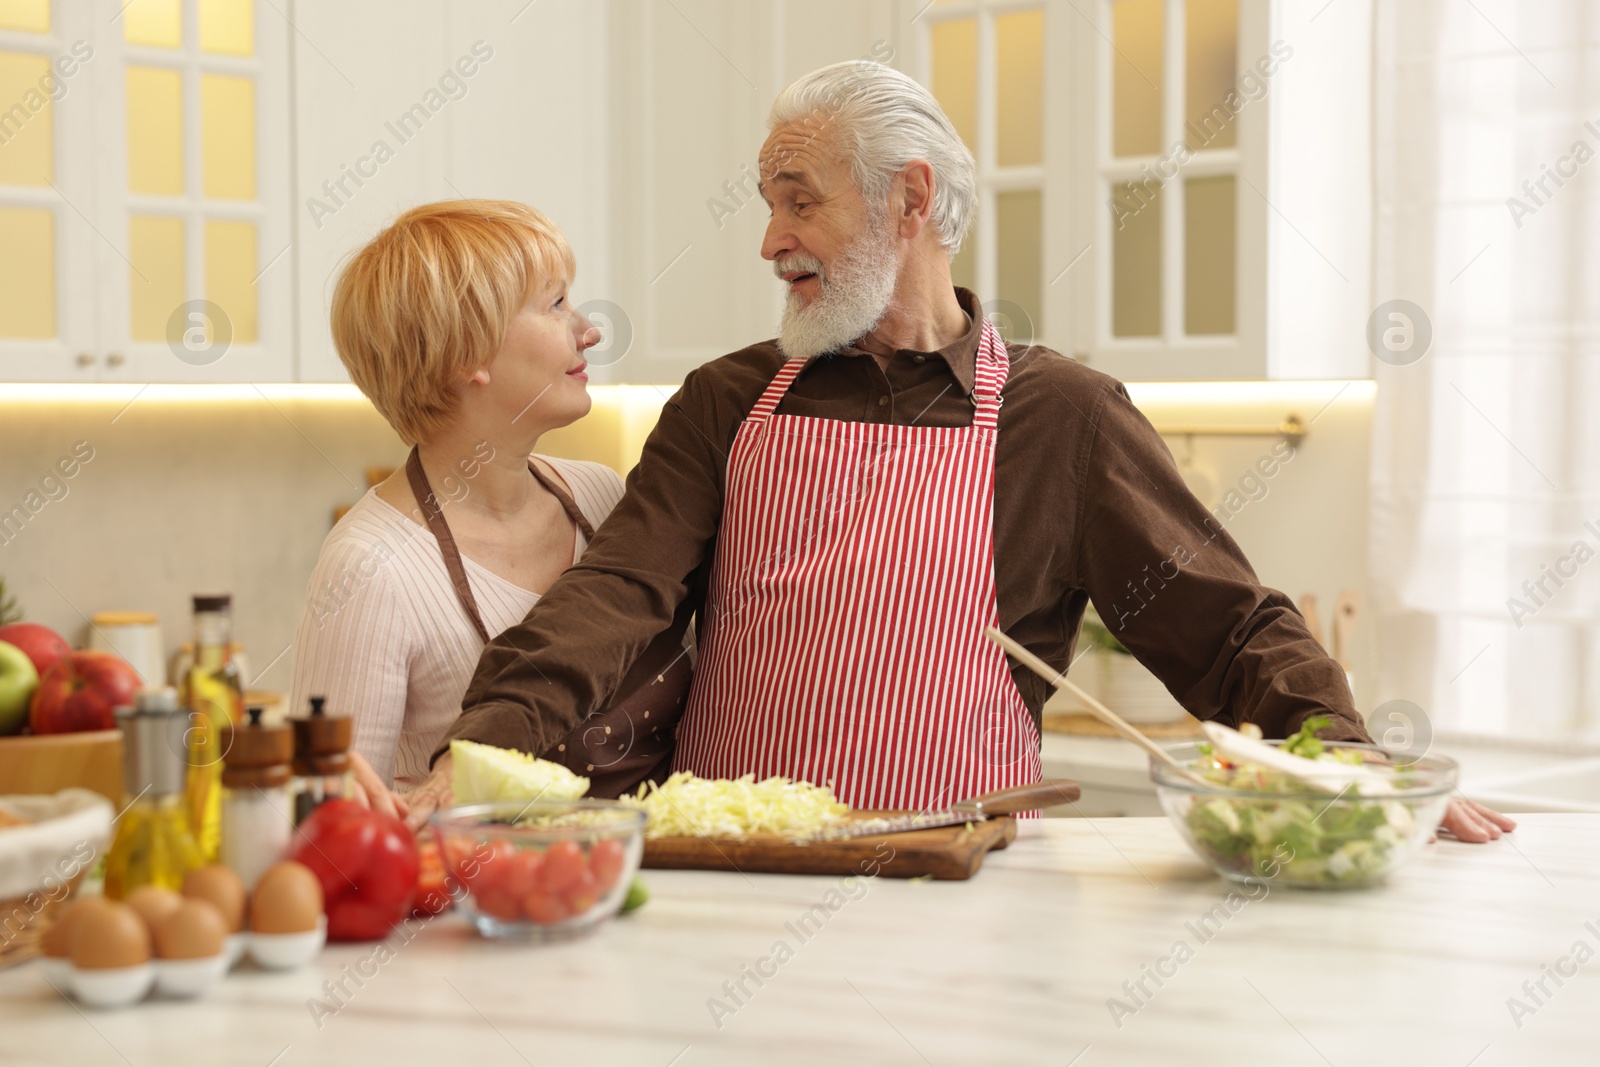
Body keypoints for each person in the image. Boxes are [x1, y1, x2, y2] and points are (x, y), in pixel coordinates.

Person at [403, 63, 1513, 844]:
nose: (769, 238)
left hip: (965, 888)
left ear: (910, 199)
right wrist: (481, 746)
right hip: (736, 881)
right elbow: (619, 590)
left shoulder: (1063, 418)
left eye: (801, 201)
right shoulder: (726, 401)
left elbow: (1224, 627)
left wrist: (1346, 757)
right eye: (766, 203)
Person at [289, 200, 623, 815]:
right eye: (555, 305)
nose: (589, 330)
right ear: (469, 353)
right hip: (473, 905)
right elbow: (328, 816)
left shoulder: (604, 500)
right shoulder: (369, 571)